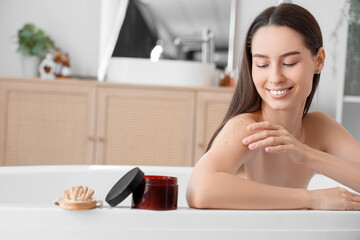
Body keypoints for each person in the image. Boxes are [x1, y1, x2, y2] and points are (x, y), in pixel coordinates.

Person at [186, 3, 360, 210]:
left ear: (319, 60)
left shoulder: (320, 127)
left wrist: (305, 154)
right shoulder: (247, 128)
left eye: (289, 63)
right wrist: (313, 199)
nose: (275, 78)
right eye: (262, 64)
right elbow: (199, 189)